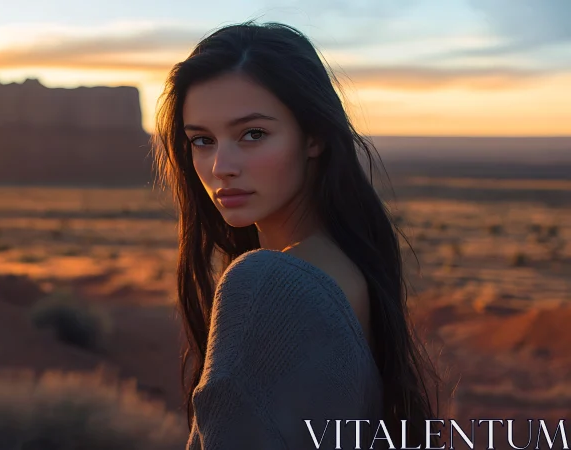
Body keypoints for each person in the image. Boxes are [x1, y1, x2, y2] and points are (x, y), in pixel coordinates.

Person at [151, 21, 441, 449]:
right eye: (202, 140)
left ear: (314, 137)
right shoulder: (349, 268)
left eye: (253, 134)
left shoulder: (267, 282)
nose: (220, 166)